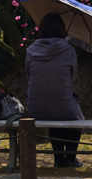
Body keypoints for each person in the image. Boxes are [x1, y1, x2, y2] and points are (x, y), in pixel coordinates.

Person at [26, 13, 84, 167]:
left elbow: (28, 76)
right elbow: (72, 78)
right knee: (73, 115)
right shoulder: (69, 50)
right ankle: (70, 158)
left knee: (52, 110)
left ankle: (58, 158)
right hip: (64, 106)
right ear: (61, 29)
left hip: (35, 108)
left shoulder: (30, 50)